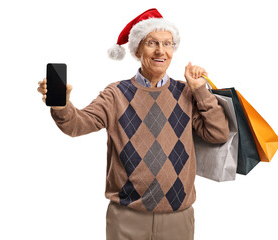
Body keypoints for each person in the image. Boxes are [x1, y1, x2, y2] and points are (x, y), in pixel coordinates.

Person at [37, 8, 229, 240]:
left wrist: (200, 90)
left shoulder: (187, 93)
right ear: (138, 49)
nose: (161, 51)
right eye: (152, 43)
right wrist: (62, 105)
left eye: (168, 44)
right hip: (126, 217)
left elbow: (218, 134)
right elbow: (76, 125)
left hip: (178, 218)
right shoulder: (116, 94)